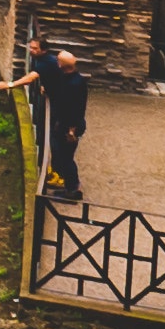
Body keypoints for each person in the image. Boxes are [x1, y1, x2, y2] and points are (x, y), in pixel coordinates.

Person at [24, 37, 95, 209]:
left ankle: (72, 189)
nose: (56, 62)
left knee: (66, 157)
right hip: (62, 124)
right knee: (59, 152)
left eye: (58, 61)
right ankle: (67, 184)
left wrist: (72, 130)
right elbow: (58, 91)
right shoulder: (68, 78)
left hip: (69, 127)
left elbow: (76, 108)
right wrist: (46, 89)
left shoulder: (75, 84)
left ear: (62, 65)